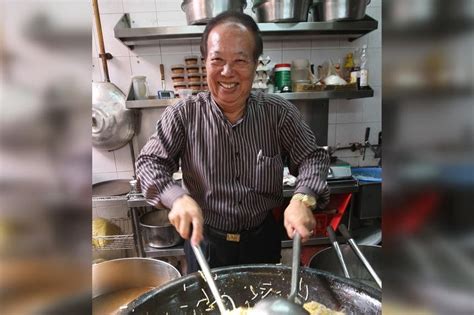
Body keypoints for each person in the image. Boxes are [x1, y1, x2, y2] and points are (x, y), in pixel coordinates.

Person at [136, 12, 330, 273]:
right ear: (205, 62)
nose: (227, 72)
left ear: (255, 64)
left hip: (262, 240)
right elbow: (150, 163)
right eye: (217, 60)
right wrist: (177, 198)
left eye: (240, 60)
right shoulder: (183, 114)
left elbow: (312, 157)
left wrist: (302, 199)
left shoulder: (279, 113)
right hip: (205, 241)